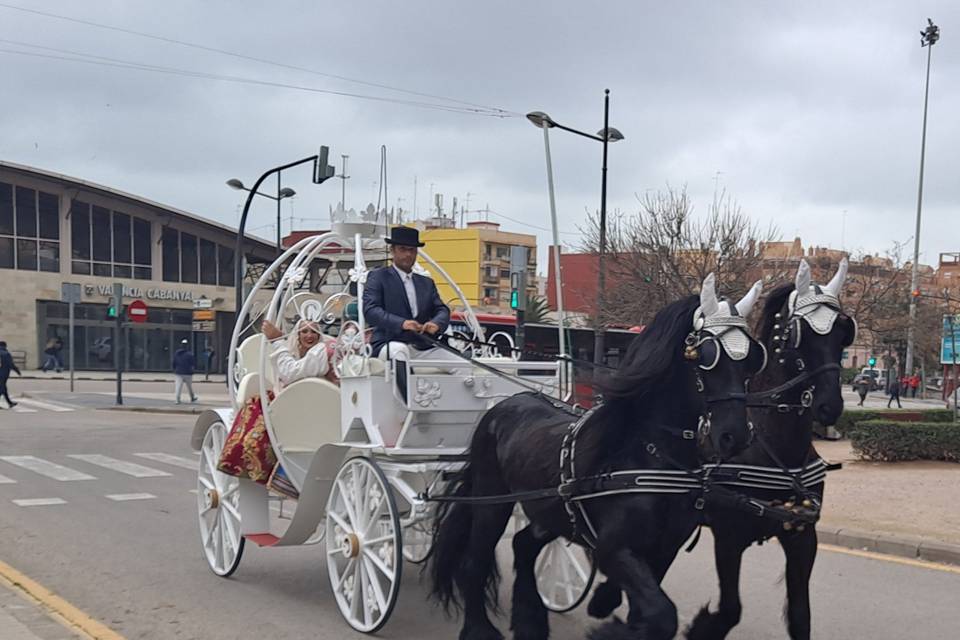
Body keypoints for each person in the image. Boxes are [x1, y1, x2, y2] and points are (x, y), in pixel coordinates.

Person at [217, 319, 335, 495]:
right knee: (256, 405)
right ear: (297, 335)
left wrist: (277, 341)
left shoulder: (320, 353)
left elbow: (291, 373)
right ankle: (247, 461)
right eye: (304, 331)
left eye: (313, 332)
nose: (309, 336)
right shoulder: (294, 352)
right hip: (291, 400)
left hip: (309, 403)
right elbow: (285, 377)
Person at [362, 225, 454, 364]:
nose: (408, 254)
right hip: (388, 343)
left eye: (412, 250)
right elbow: (371, 310)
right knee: (399, 352)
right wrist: (402, 324)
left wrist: (436, 323)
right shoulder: (378, 277)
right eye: (402, 249)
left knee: (461, 364)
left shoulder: (426, 283)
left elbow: (442, 309)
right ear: (392, 250)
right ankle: (407, 387)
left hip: (421, 345)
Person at [172, 339, 198, 404]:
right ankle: (192, 397)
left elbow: (174, 362)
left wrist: (174, 369)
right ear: (187, 346)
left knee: (178, 386)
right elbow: (193, 363)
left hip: (178, 372)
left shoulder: (177, 353)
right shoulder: (190, 354)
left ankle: (177, 399)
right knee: (189, 386)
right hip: (188, 373)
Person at [0, 341, 21, 408]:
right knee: (2, 388)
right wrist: (17, 371)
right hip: (3, 373)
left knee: (3, 388)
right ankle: (10, 403)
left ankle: (9, 403)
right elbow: (10, 364)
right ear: (5, 346)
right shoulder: (6, 353)